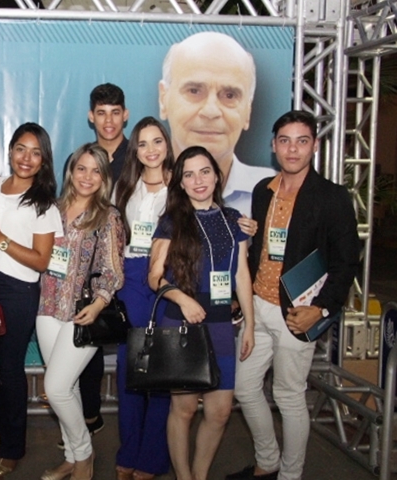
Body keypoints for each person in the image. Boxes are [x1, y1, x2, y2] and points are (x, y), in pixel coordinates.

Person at [226, 111, 360, 480]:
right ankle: (268, 461)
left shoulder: (332, 197)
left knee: (288, 396)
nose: (292, 149)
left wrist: (321, 309)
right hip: (257, 307)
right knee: (245, 387)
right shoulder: (263, 191)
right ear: (273, 145)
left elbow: (346, 262)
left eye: (302, 141)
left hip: (297, 313)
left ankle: (290, 474)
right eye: (285, 140)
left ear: (314, 146)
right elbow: (262, 251)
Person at [148, 146, 255, 480]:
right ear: (180, 182)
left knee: (220, 412)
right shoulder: (171, 222)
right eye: (189, 174)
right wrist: (183, 299)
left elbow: (241, 275)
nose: (198, 180)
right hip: (182, 321)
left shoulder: (233, 219)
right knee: (183, 410)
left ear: (217, 176)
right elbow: (154, 277)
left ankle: (200, 474)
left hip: (222, 323)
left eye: (205, 171)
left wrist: (250, 325)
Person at [0, 123, 63, 478]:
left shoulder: (44, 203)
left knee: (10, 369)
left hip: (19, 290)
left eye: (36, 153)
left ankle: (12, 447)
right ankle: (7, 425)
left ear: (44, 161)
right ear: (10, 151)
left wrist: (0, 238)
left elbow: (41, 260)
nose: (26, 158)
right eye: (21, 149)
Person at [38, 143, 125, 480]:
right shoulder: (52, 209)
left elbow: (114, 271)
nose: (87, 177)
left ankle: (85, 455)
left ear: (104, 177)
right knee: (68, 388)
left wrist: (98, 304)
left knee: (56, 387)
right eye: (81, 168)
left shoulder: (108, 216)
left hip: (83, 312)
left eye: (96, 171)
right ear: (70, 171)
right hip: (47, 306)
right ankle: (72, 456)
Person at [60, 83, 130, 445]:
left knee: (127, 345)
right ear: (91, 116)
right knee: (86, 340)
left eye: (115, 112)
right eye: (101, 113)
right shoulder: (82, 160)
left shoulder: (140, 156)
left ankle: (126, 432)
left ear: (125, 115)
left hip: (133, 263)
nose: (108, 120)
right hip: (83, 267)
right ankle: (87, 417)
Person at [111, 117, 174, 480]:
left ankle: (152, 457)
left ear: (167, 145)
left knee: (164, 369)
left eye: (157, 141)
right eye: (143, 143)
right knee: (130, 370)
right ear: (134, 149)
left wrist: (244, 224)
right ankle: (129, 450)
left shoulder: (182, 186)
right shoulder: (125, 187)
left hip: (169, 278)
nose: (151, 150)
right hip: (132, 279)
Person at [158, 31, 275, 217]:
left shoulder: (273, 191)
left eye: (229, 95)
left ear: (248, 111)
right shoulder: (139, 188)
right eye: (194, 91)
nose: (211, 111)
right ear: (163, 99)